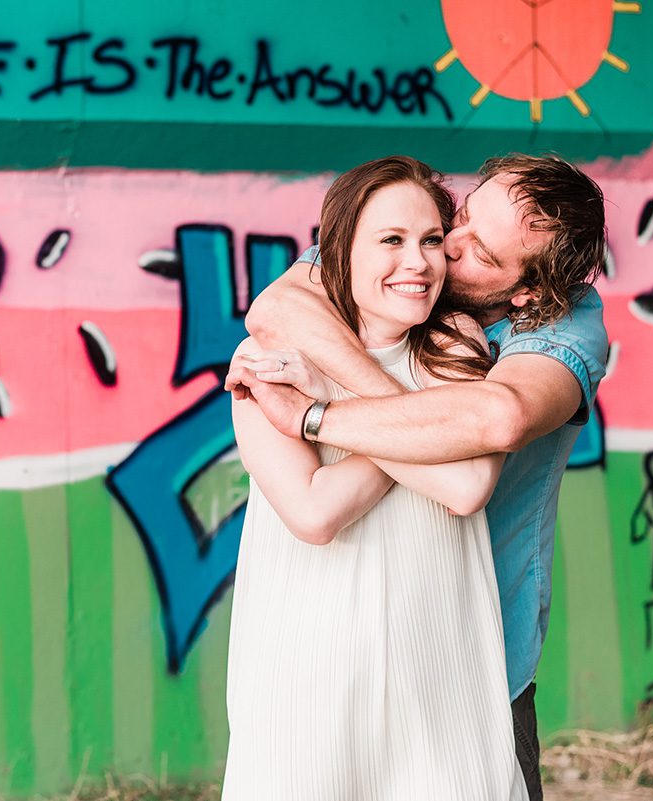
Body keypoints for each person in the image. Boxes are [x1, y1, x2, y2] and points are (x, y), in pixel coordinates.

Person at [227, 153, 609, 801]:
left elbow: (497, 419)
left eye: (477, 253)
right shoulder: (395, 251)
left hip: (473, 665)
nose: (441, 252)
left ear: (529, 293)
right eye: (455, 220)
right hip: (320, 670)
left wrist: (321, 414)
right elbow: (276, 308)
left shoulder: (543, 323)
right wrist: (406, 411)